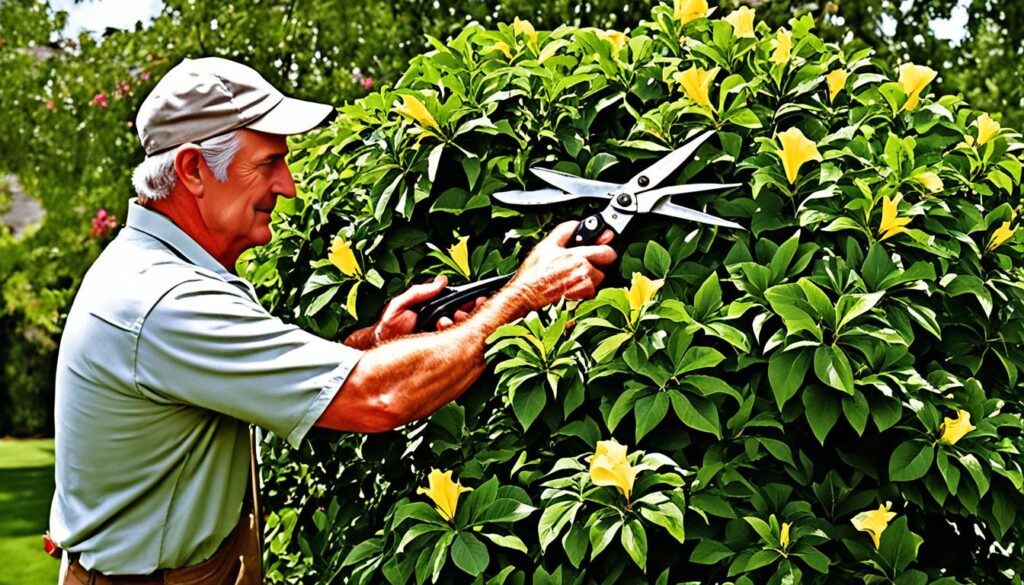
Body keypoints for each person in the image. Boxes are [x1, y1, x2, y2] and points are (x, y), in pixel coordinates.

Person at [49, 57, 616, 584]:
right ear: (194, 169)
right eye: (269, 162)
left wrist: (376, 342)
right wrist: (521, 296)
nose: (288, 186)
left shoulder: (158, 270)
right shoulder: (165, 301)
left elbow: (269, 376)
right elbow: (378, 400)